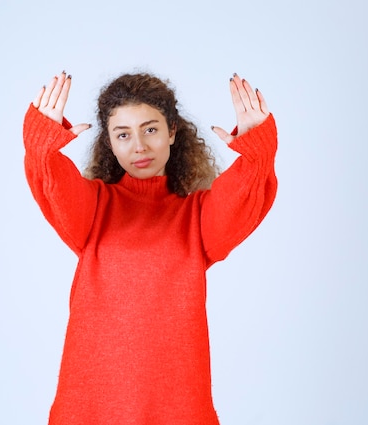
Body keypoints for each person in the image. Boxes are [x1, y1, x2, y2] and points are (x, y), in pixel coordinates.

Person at [23, 70, 278, 425]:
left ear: (172, 131)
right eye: (123, 134)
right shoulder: (93, 209)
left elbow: (245, 196)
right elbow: (51, 181)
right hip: (90, 410)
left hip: (177, 410)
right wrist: (41, 144)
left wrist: (257, 149)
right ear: (109, 142)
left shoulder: (197, 218)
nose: (139, 146)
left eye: (151, 129)